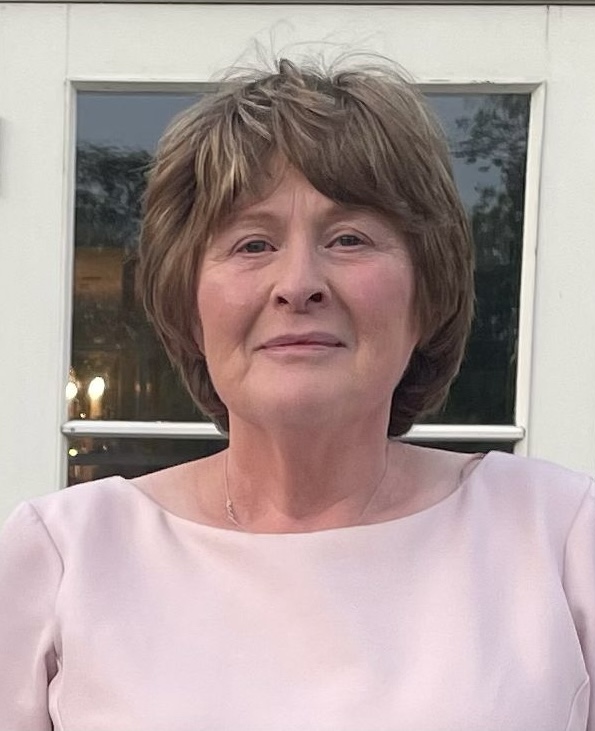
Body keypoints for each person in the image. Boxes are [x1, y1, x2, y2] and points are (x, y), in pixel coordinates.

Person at [0, 58, 594, 731]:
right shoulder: (65, 554)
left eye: (349, 238)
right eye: (252, 244)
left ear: (426, 295)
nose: (298, 284)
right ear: (189, 306)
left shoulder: (558, 535)